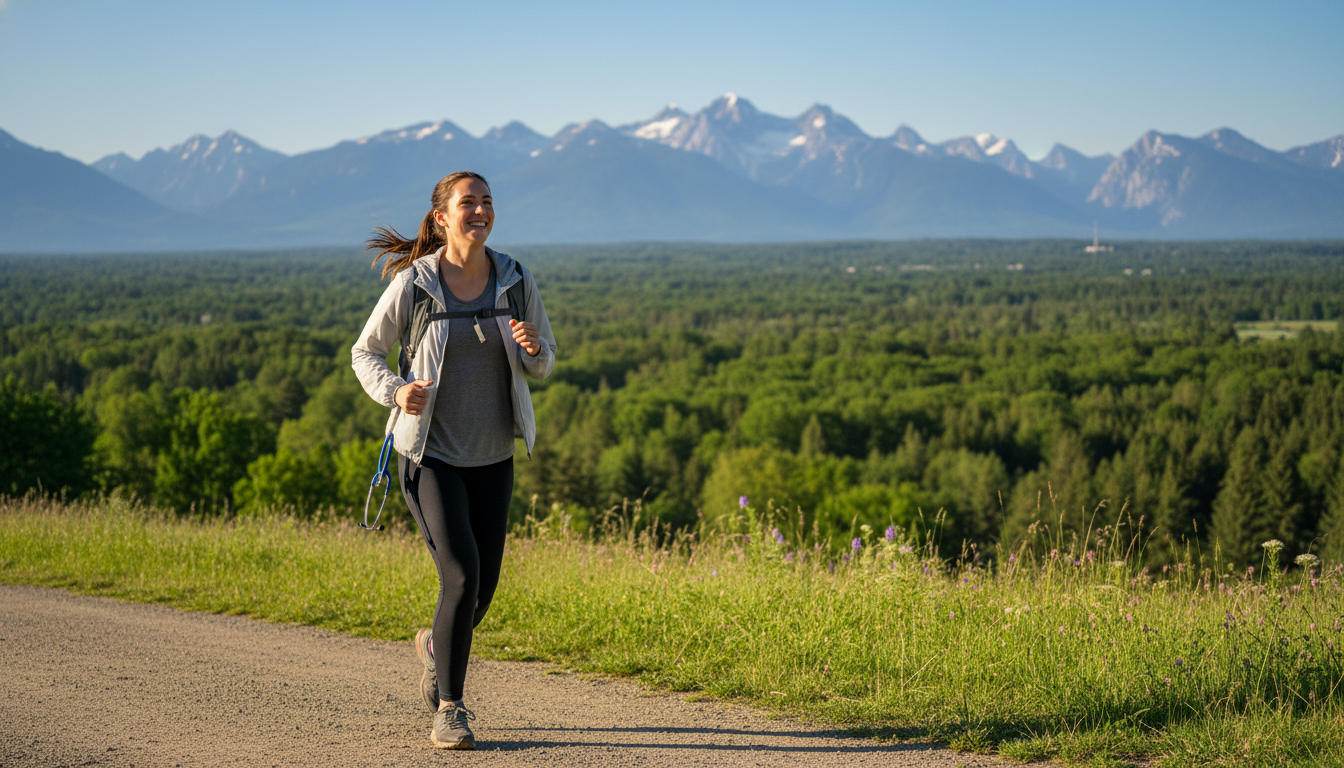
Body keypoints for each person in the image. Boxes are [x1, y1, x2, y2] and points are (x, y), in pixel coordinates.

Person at [351, 171, 556, 749]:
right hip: (430, 457)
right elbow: (365, 352)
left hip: (493, 457)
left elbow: (545, 360)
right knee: (461, 577)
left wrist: (534, 349)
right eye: (469, 202)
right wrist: (396, 391)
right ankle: (450, 709)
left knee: (482, 588)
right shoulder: (416, 284)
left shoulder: (515, 279)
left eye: (487, 201)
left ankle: (433, 646)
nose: (481, 210)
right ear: (442, 217)